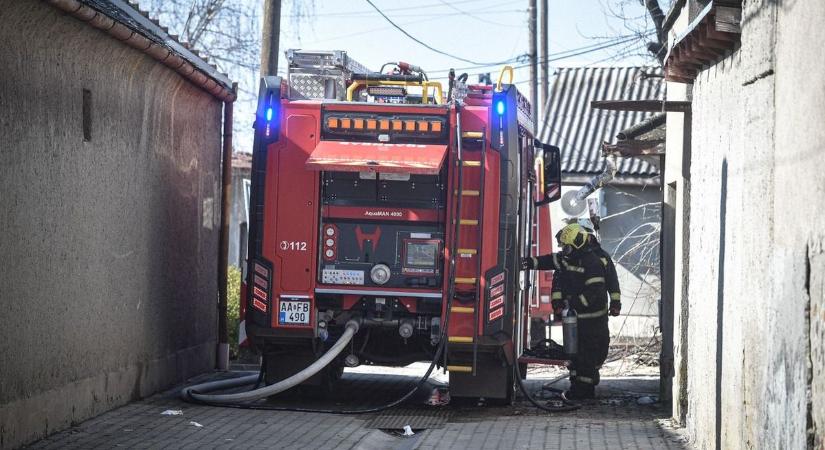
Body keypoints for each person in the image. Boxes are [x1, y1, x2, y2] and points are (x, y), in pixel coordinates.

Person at [521, 223, 621, 400]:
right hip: (575, 320)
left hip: (593, 322)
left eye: (566, 247)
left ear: (577, 244)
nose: (564, 251)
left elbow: (596, 291)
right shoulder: (569, 258)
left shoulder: (594, 262)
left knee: (589, 357)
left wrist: (612, 302)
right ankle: (578, 387)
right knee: (575, 354)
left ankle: (584, 391)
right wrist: (528, 263)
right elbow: (548, 261)